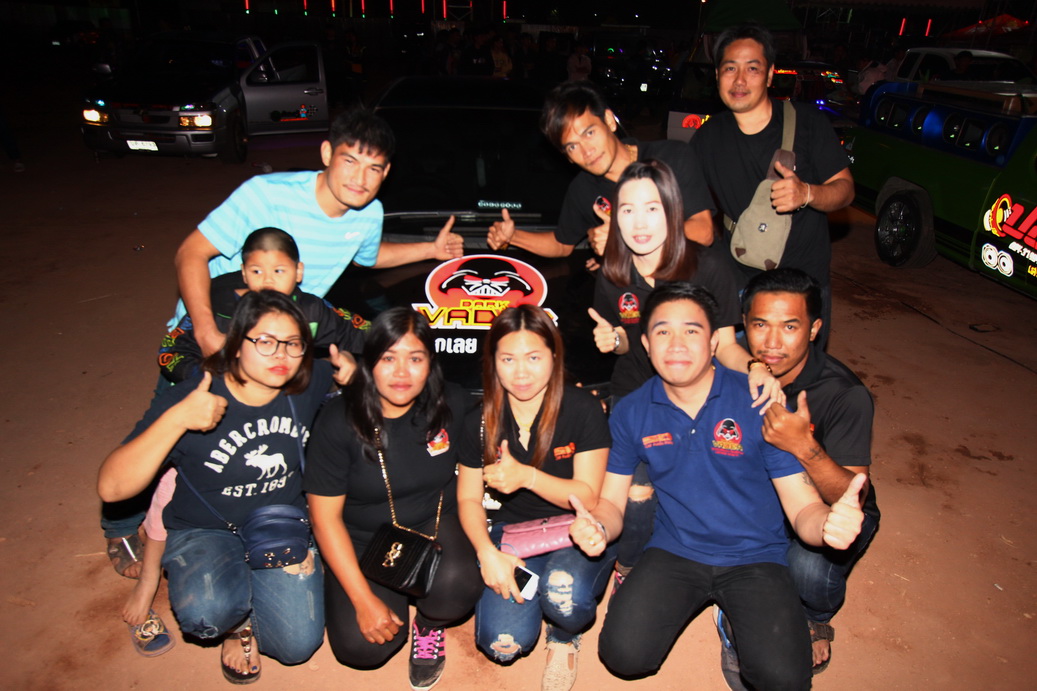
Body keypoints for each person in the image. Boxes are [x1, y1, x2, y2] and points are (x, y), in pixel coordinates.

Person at [102, 108, 462, 571]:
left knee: (251, 438)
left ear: (386, 172)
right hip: (216, 331)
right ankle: (119, 525)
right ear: (327, 153)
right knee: (169, 428)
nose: (360, 179)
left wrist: (431, 249)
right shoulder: (266, 195)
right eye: (350, 161)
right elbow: (190, 253)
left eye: (374, 169)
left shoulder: (368, 214)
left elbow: (368, 257)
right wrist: (207, 331)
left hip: (284, 341)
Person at [568, 283, 865, 689]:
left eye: (691, 331)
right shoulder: (632, 411)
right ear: (646, 344)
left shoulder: (758, 401)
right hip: (675, 550)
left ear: (713, 343)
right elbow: (612, 504)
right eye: (662, 331)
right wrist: (598, 525)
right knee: (624, 656)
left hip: (755, 557)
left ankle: (733, 615)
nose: (676, 344)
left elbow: (802, 508)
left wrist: (827, 524)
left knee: (783, 680)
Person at [98, 290, 354, 683]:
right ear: (235, 345)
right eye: (265, 341)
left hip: (278, 525)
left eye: (293, 343)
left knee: (297, 646)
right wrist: (177, 419)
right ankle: (237, 627)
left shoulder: (308, 382)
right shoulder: (195, 395)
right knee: (207, 614)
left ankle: (257, 593)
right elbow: (112, 488)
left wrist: (351, 374)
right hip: (206, 530)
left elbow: (375, 383)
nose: (281, 355)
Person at [586, 159, 783, 586]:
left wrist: (756, 368)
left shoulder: (707, 267)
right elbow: (628, 341)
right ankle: (629, 569)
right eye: (628, 210)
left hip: (700, 394)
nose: (639, 223)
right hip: (636, 395)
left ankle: (725, 566)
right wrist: (613, 341)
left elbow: (725, 345)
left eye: (652, 208)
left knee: (711, 480)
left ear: (673, 211)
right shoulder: (612, 274)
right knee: (635, 494)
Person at [305, 308, 482, 691]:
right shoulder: (339, 420)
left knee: (461, 587)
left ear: (430, 363)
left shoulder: (451, 402)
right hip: (362, 537)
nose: (402, 373)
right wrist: (362, 599)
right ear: (369, 362)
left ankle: (428, 625)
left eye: (415, 359)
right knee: (361, 647)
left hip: (433, 521)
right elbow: (324, 519)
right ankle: (359, 588)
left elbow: (507, 412)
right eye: (388, 358)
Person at [457, 305, 613, 691]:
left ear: (554, 357)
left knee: (566, 599)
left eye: (533, 357)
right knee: (502, 643)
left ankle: (563, 636)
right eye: (508, 359)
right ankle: (538, 588)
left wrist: (527, 477)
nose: (521, 372)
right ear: (493, 362)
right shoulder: (478, 421)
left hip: (575, 531)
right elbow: (468, 499)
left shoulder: (583, 408)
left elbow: (588, 496)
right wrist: (486, 552)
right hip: (513, 538)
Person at [740, 268, 880, 676]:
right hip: (756, 497)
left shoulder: (844, 394)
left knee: (808, 568)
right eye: (760, 325)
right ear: (743, 325)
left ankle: (814, 615)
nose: (772, 342)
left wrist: (803, 445)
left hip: (827, 505)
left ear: (815, 329)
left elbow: (852, 494)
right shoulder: (733, 364)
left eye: (790, 326)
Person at [689, 22, 854, 348]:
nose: (739, 80)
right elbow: (685, 209)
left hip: (802, 286)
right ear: (717, 75)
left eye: (752, 68)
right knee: (740, 373)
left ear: (769, 75)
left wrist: (807, 193)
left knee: (800, 376)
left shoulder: (807, 123)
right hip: (741, 285)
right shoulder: (707, 138)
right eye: (730, 68)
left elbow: (845, 189)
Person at [487, 80, 715, 260]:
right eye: (572, 146)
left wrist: (621, 240)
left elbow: (703, 231)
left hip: (697, 286)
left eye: (589, 133)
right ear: (567, 157)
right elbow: (561, 244)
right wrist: (513, 236)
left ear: (609, 120)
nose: (586, 151)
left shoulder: (672, 157)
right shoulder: (583, 189)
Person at [159, 227, 368, 384]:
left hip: (283, 399)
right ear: (244, 273)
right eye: (257, 271)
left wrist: (350, 358)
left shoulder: (311, 309)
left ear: (298, 272)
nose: (268, 280)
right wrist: (210, 378)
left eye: (279, 271)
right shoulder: (218, 308)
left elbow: (362, 332)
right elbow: (170, 351)